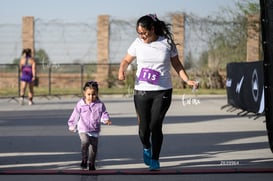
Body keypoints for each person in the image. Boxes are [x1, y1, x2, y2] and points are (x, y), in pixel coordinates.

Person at [118, 14, 198, 171]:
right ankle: (146, 146)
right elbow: (126, 60)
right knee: (143, 129)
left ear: (152, 29)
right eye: (139, 33)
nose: (142, 36)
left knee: (155, 125)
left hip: (162, 91)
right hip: (141, 91)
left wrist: (186, 80)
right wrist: (122, 71)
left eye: (144, 33)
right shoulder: (137, 43)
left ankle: (155, 159)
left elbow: (177, 64)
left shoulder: (167, 43)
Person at [68, 81, 111, 171]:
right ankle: (84, 159)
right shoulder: (80, 104)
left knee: (94, 148)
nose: (91, 97)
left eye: (93, 94)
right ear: (84, 93)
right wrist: (72, 124)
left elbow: (104, 113)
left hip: (94, 129)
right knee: (85, 141)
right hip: (83, 129)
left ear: (97, 93)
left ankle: (92, 163)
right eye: (89, 94)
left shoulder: (100, 104)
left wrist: (105, 119)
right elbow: (75, 114)